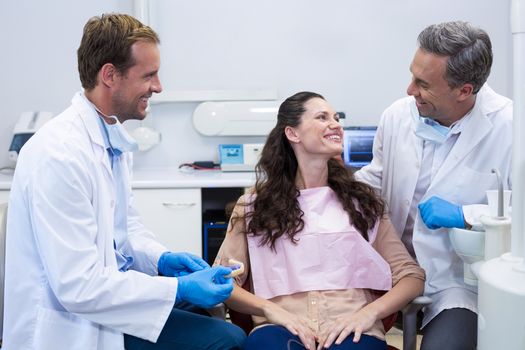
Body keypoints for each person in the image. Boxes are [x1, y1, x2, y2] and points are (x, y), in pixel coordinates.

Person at [3, 14, 246, 350]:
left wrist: (161, 259)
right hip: (74, 325)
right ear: (110, 75)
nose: (159, 87)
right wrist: (178, 289)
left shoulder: (112, 138)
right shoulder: (59, 155)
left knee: (208, 310)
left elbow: (124, 230)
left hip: (107, 304)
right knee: (228, 340)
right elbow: (78, 286)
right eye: (149, 75)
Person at [214, 91, 425, 350]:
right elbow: (223, 282)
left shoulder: (363, 204)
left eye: (336, 118)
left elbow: (411, 277)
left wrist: (369, 314)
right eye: (322, 117)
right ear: (293, 133)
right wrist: (270, 310)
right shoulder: (253, 208)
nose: (336, 124)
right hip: (280, 330)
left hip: (353, 330)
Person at [355, 21, 512, 350]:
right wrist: (326, 188)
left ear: (464, 90)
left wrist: (467, 214)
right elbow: (376, 179)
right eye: (412, 75)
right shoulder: (398, 115)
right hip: (392, 265)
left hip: (457, 278)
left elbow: (521, 213)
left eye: (422, 83)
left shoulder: (511, 128)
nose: (410, 90)